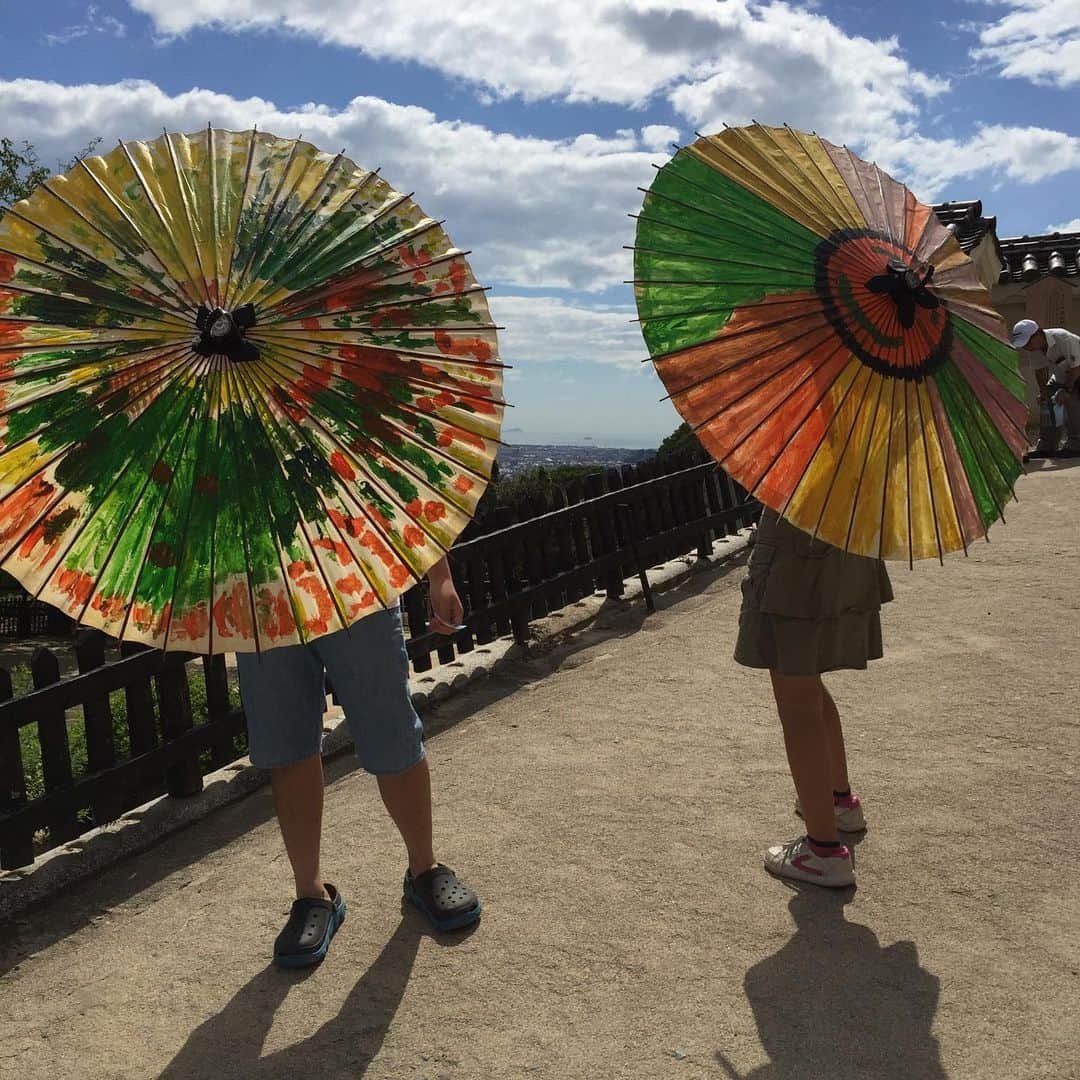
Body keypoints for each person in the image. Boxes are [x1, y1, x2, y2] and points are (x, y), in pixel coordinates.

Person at [237, 555, 480, 968]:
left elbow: (393, 491)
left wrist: (439, 574)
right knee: (288, 751)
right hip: (258, 593)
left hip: (354, 576)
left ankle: (424, 867)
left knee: (393, 735)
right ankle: (311, 893)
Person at [734, 509, 892, 888]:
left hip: (799, 549)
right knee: (809, 687)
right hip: (848, 535)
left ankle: (823, 849)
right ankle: (838, 802)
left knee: (797, 700)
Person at [1012, 319, 1080, 458]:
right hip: (1062, 375)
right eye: (1024, 344)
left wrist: (1066, 390)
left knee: (1071, 399)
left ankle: (1076, 444)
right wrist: (1043, 392)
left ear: (1038, 334)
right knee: (1046, 402)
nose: (1026, 347)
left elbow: (1076, 368)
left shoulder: (1063, 338)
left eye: (1028, 342)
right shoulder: (1035, 348)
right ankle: (1047, 446)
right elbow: (1040, 371)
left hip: (1077, 372)